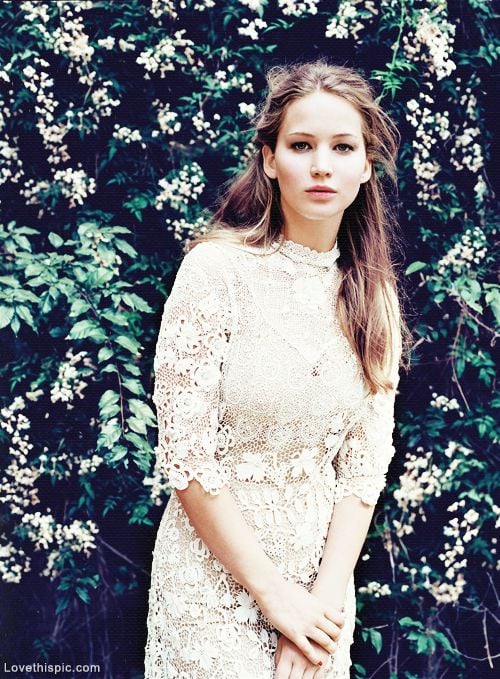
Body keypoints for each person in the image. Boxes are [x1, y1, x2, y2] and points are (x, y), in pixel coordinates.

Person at [144, 58, 412, 679]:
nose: (321, 165)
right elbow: (186, 455)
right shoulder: (215, 272)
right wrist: (275, 598)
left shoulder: (374, 296)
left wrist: (318, 612)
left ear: (365, 165)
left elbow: (363, 471)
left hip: (321, 591)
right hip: (212, 585)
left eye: (342, 147)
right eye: (301, 145)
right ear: (269, 159)